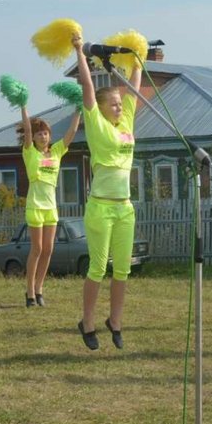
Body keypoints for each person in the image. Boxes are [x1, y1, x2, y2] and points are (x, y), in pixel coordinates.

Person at [72, 34, 141, 350]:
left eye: (119, 103)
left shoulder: (126, 124)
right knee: (98, 268)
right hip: (100, 207)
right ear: (99, 108)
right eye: (112, 104)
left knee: (123, 269)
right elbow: (87, 87)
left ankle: (115, 320)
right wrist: (79, 52)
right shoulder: (95, 124)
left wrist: (138, 57)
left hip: (125, 207)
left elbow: (134, 91)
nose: (118, 107)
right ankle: (87, 321)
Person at [18, 105, 81, 308]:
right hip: (35, 206)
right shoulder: (30, 152)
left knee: (48, 249)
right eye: (39, 134)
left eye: (45, 133)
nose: (43, 136)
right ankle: (29, 292)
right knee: (37, 248)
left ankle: (39, 289)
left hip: (51, 207)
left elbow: (71, 132)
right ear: (33, 137)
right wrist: (23, 105)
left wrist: (78, 110)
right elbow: (27, 129)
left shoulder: (56, 152)